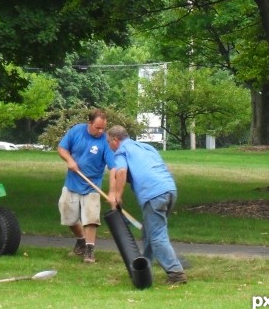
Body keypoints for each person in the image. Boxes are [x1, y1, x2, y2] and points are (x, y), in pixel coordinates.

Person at [106, 125, 187, 285]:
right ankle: (145, 268)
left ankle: (176, 273)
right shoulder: (146, 147)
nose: (109, 146)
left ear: (116, 140)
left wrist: (117, 197)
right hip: (169, 189)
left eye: (109, 142)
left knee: (156, 236)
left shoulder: (122, 151)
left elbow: (121, 172)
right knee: (149, 233)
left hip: (153, 194)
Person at [57, 109, 117, 263]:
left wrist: (112, 192)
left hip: (92, 185)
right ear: (89, 123)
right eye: (98, 127)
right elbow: (62, 148)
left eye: (103, 128)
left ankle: (89, 251)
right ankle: (81, 240)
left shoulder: (105, 141)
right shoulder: (76, 131)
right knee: (69, 218)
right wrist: (70, 160)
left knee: (90, 218)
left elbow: (114, 168)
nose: (101, 131)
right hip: (72, 182)